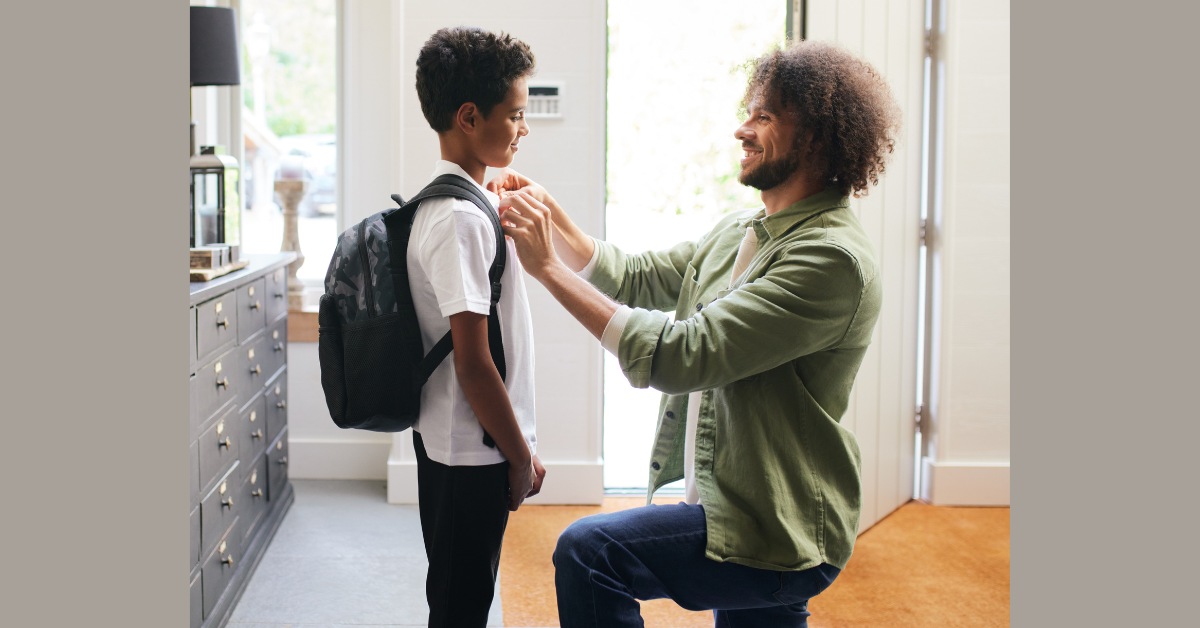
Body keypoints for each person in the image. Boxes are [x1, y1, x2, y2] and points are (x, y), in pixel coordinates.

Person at [491, 40, 901, 627]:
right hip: (739, 501)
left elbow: (683, 354)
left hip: (774, 526)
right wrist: (550, 216)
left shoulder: (830, 259)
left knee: (590, 552)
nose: (742, 129)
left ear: (813, 137)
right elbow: (637, 275)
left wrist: (546, 269)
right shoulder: (742, 229)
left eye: (763, 115)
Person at [409, 27, 546, 628]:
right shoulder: (461, 220)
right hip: (472, 452)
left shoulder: (454, 205)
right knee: (463, 606)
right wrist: (519, 456)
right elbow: (472, 361)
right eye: (515, 114)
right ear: (469, 117)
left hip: (455, 443)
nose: (523, 128)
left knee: (459, 595)